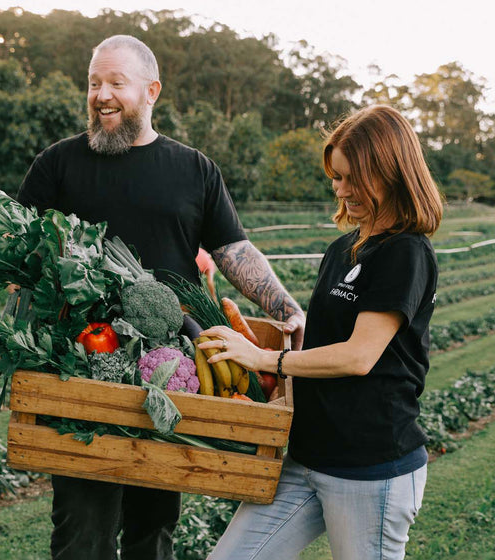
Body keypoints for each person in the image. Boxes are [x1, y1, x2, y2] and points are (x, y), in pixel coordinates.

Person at [15, 34, 306, 560]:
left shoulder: (193, 170)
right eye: (93, 83)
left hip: (166, 374)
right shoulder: (57, 165)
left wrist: (286, 310)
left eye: (115, 84)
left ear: (151, 91)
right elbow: (19, 255)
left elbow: (234, 250)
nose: (102, 95)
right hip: (83, 375)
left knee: (152, 534)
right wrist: (27, 273)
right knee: (83, 533)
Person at [199, 104, 444, 560]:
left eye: (353, 177)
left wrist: (265, 360)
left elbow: (358, 356)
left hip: (371, 468)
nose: (340, 188)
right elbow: (335, 337)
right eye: (336, 175)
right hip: (307, 458)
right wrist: (297, 338)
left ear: (390, 172)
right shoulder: (344, 249)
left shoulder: (405, 253)